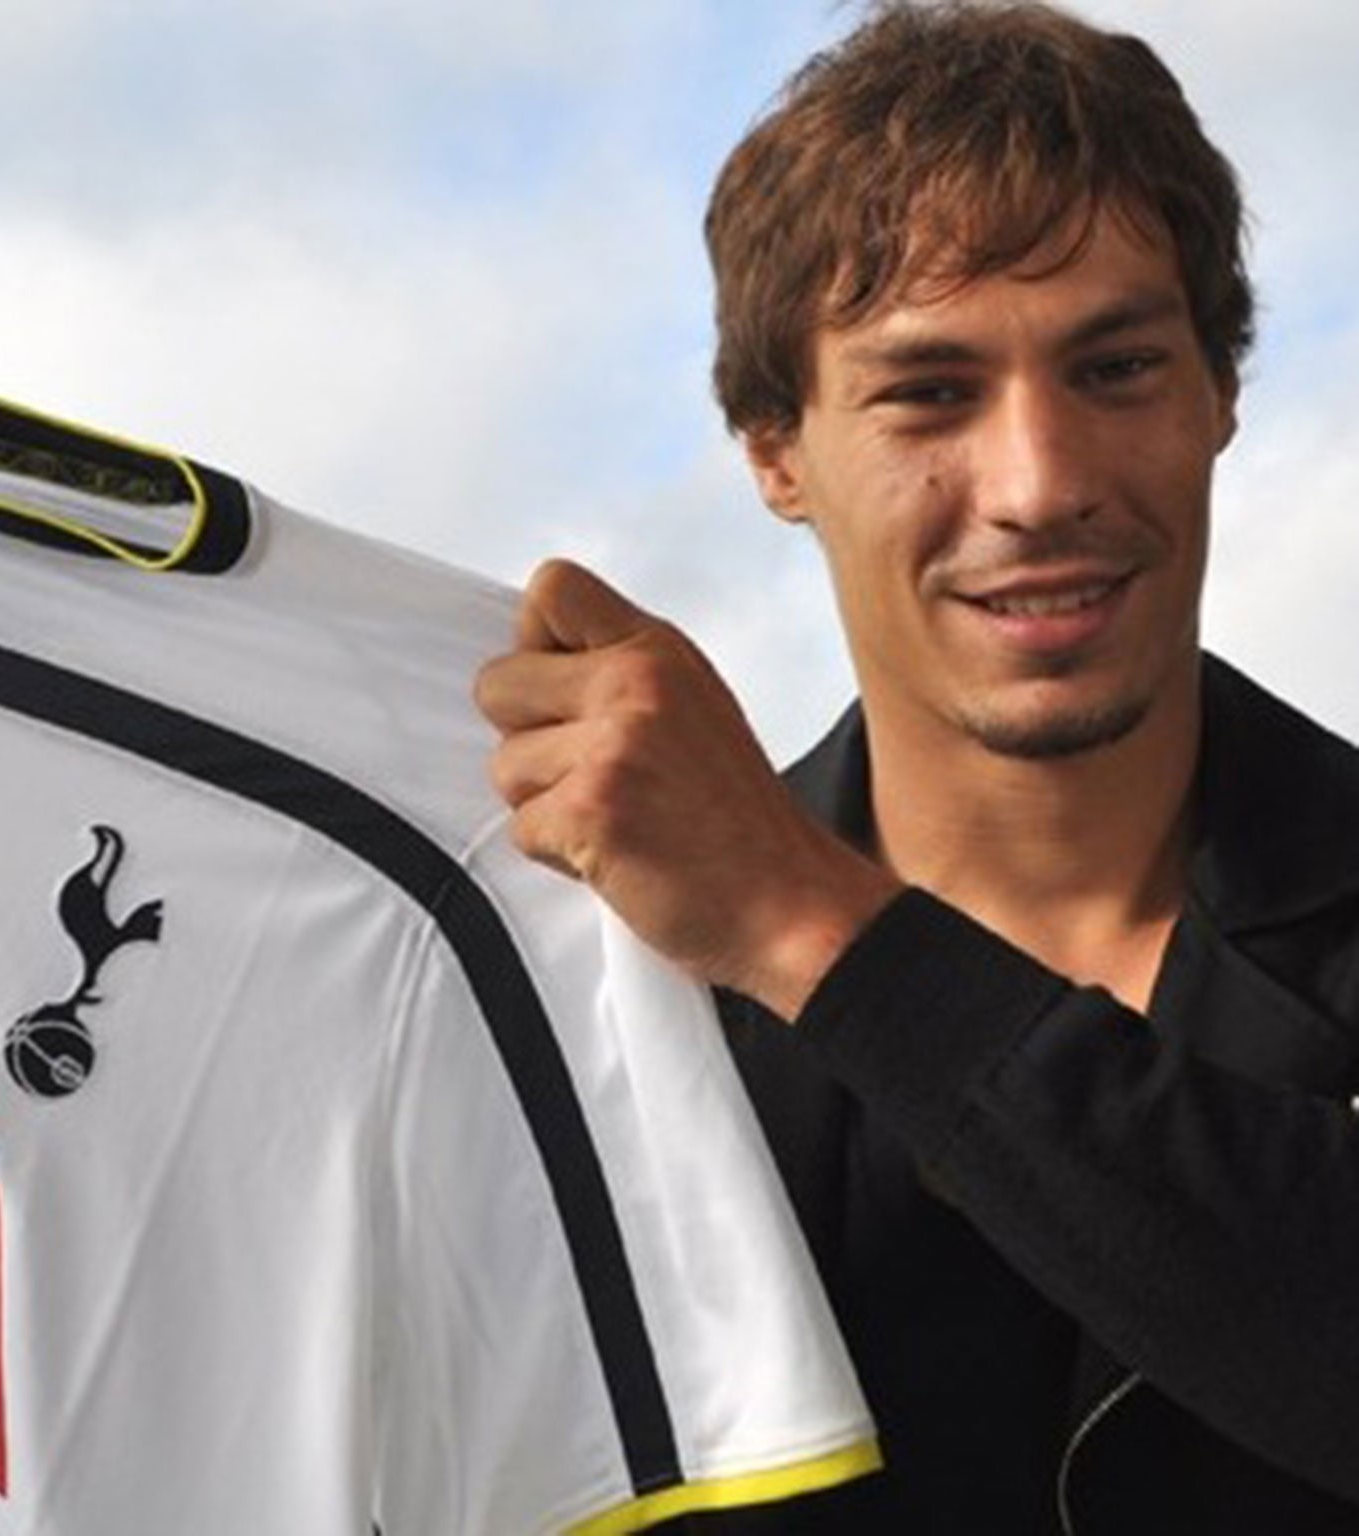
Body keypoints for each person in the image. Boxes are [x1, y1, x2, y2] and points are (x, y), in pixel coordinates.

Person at [475, 2, 1359, 1530]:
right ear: (775, 450)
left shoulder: (761, 926)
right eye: (930, 393)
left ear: (1222, 391)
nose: (1040, 485)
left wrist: (812, 930)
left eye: (1119, 368)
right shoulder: (579, 1028)